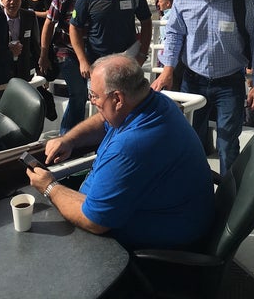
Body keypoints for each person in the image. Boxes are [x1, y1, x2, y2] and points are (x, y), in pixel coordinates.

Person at [26, 55, 214, 250]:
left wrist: (49, 187)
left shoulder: (131, 146)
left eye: (95, 96)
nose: (93, 102)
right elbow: (104, 120)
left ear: (117, 98)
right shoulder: (153, 103)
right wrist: (69, 140)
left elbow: (95, 222)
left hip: (156, 244)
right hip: (156, 210)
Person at [152, 0, 254, 175]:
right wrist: (168, 70)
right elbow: (175, 33)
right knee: (190, 140)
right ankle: (195, 190)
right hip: (193, 81)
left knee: (227, 144)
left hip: (229, 84)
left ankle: (229, 198)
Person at [39, 0, 98, 135]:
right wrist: (44, 54)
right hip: (66, 50)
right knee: (79, 93)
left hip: (91, 51)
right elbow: (49, 23)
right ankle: (67, 136)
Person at [1, 0, 40, 81]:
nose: (12, 2)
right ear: (2, 0)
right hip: (4, 70)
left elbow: (34, 44)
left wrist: (39, 69)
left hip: (24, 69)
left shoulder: (29, 16)